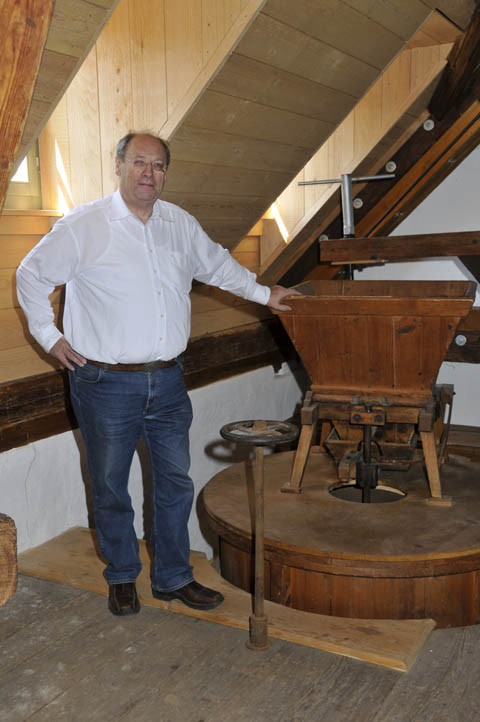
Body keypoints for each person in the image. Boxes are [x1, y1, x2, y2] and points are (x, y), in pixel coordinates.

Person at [16, 132, 297, 617]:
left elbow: (218, 267)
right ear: (119, 165)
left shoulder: (179, 224)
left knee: (175, 482)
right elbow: (30, 274)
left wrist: (265, 294)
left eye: (159, 165)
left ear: (166, 173)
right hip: (104, 383)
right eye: (139, 162)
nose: (149, 173)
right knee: (110, 486)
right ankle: (123, 575)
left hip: (167, 379)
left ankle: (172, 577)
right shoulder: (85, 225)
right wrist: (49, 336)